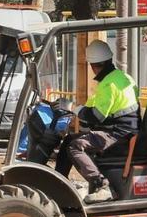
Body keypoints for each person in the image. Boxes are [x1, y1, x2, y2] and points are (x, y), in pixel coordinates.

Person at [56, 39, 140, 203]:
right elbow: (101, 109)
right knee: (69, 140)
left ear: (93, 65)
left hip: (118, 136)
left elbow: (96, 116)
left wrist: (72, 107)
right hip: (126, 131)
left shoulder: (108, 84)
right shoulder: (123, 77)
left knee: (75, 146)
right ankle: (59, 184)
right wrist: (80, 115)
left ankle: (102, 185)